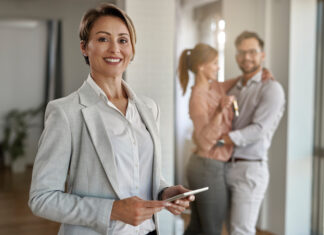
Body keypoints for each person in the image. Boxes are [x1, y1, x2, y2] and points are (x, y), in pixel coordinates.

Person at [28, 3, 193, 235]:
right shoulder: (65, 112)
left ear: (132, 49)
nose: (115, 49)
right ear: (85, 47)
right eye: (104, 39)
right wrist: (112, 210)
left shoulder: (148, 108)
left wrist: (164, 192)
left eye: (123, 40)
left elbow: (140, 175)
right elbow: (41, 198)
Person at [221, 31, 285, 235]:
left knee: (241, 230)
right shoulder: (234, 88)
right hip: (225, 166)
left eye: (252, 52)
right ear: (235, 56)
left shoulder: (272, 88)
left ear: (262, 55)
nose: (246, 57)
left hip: (250, 169)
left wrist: (223, 140)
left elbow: (259, 129)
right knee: (229, 229)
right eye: (241, 52)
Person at [178, 43, 237, 235]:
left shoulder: (215, 87)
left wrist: (261, 73)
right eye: (215, 63)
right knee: (211, 230)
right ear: (201, 66)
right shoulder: (198, 97)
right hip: (207, 168)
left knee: (197, 227)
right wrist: (220, 111)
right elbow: (204, 142)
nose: (218, 67)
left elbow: (237, 81)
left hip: (206, 166)